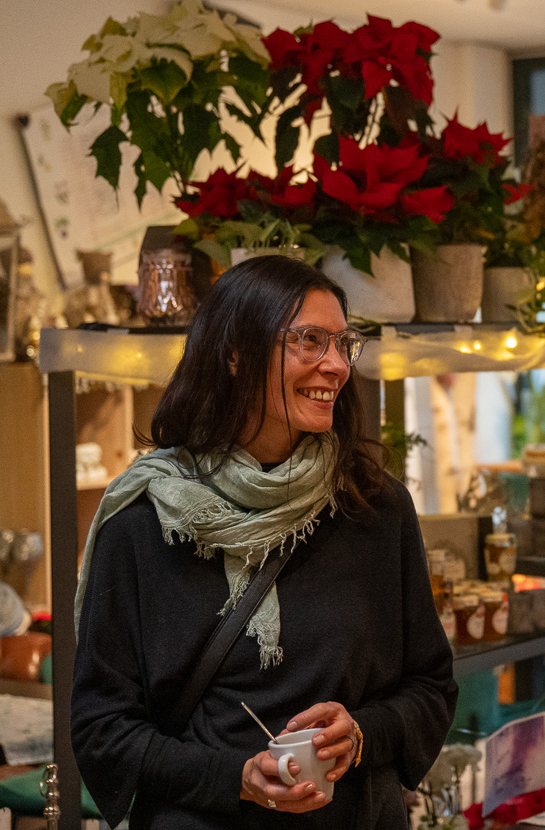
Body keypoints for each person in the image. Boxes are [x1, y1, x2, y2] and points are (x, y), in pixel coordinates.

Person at [72, 256, 457, 829]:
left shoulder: (371, 507)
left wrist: (359, 737)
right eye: (309, 341)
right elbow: (103, 730)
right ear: (235, 353)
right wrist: (235, 780)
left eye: (342, 343)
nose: (336, 366)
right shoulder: (145, 523)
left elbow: (430, 687)